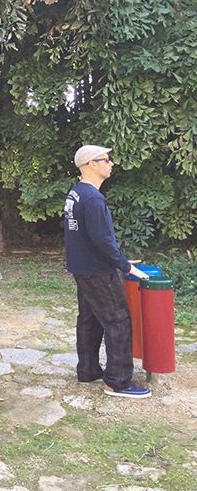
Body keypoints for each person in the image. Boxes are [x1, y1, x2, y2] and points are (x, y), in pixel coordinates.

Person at [64, 145, 151, 399]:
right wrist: (126, 266)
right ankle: (118, 381)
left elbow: (87, 237)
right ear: (92, 164)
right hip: (98, 271)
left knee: (89, 319)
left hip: (83, 268)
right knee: (118, 320)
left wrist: (120, 258)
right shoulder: (92, 198)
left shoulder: (76, 194)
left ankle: (88, 370)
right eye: (106, 159)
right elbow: (102, 241)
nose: (111, 163)